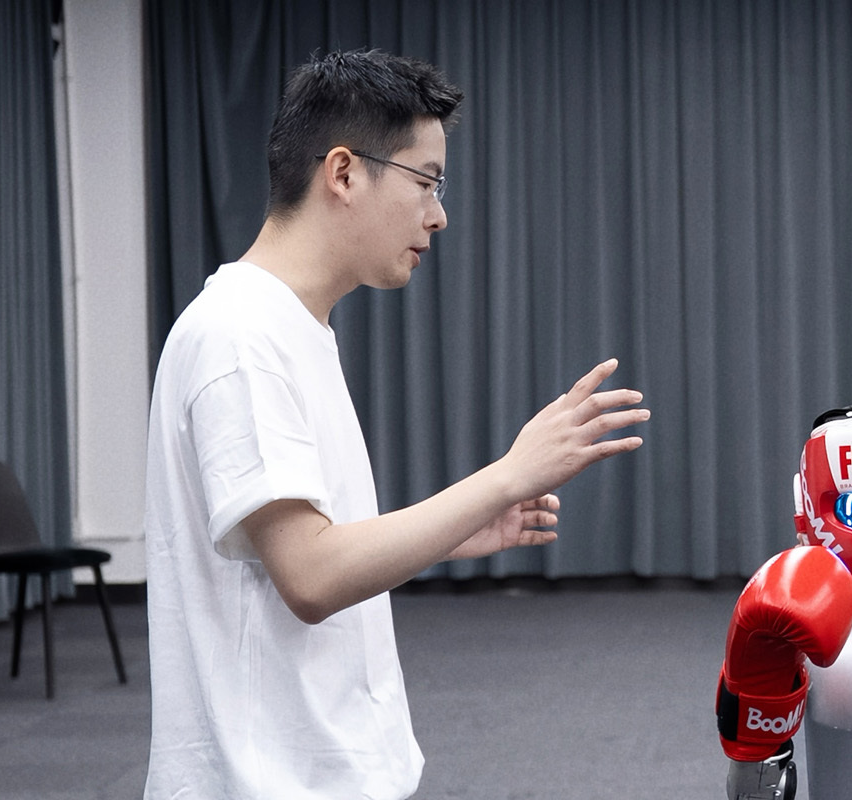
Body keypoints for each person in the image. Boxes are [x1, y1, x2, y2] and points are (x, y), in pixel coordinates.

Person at [141, 50, 649, 799]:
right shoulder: (240, 336)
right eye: (426, 182)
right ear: (344, 173)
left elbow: (308, 547)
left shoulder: (288, 326)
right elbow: (311, 576)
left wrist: (458, 525)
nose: (438, 215)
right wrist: (507, 475)